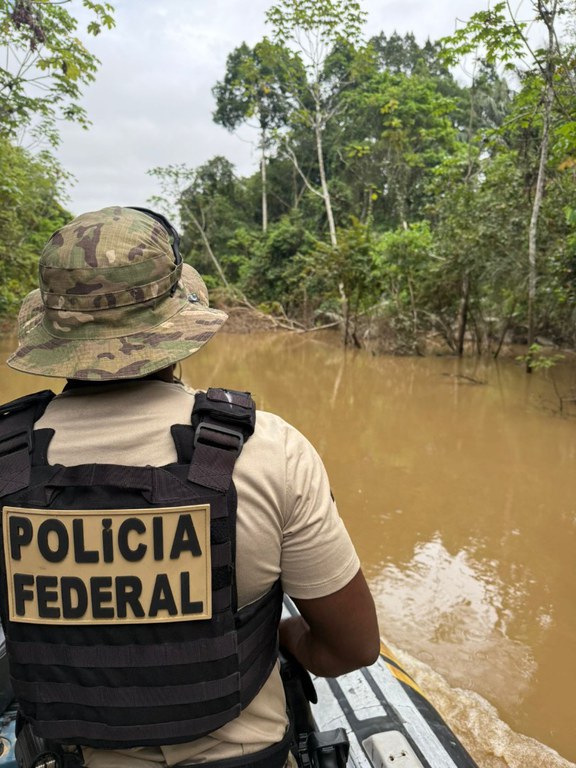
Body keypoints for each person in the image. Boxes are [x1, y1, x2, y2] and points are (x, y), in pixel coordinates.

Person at [0, 206, 379, 768]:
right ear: (179, 327)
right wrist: (285, 639)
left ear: (53, 333)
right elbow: (351, 647)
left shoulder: (8, 461)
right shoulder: (267, 450)